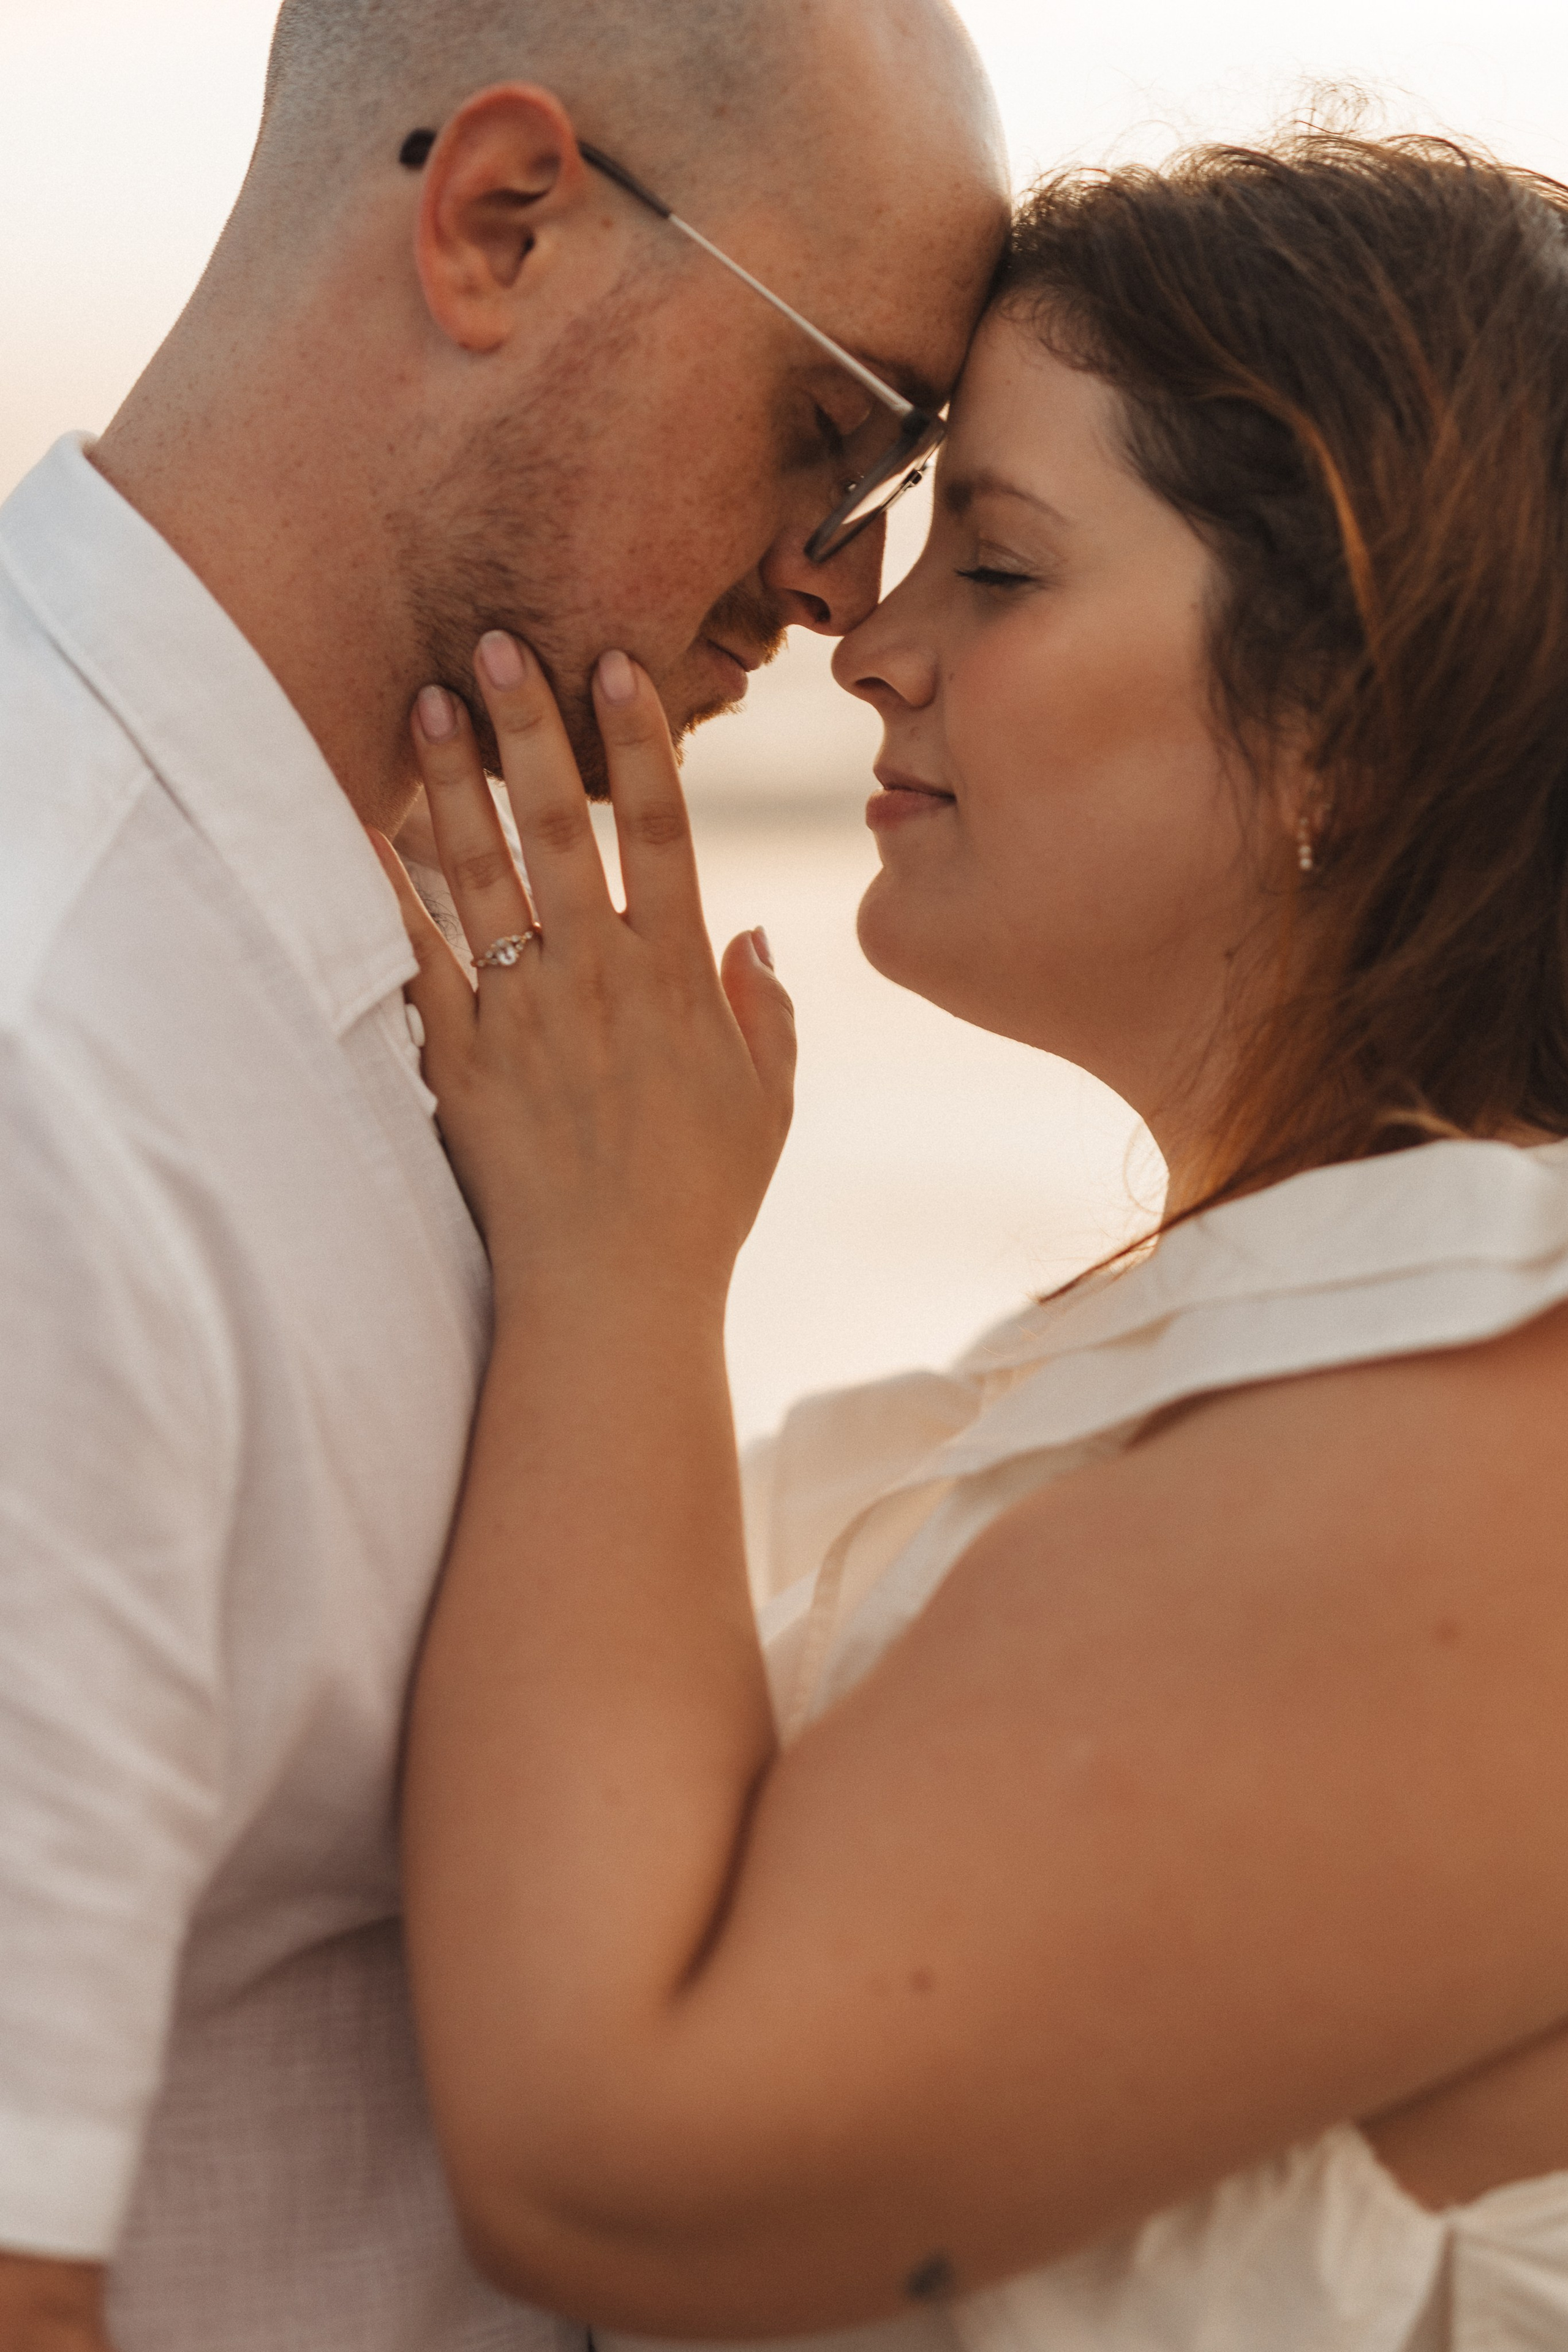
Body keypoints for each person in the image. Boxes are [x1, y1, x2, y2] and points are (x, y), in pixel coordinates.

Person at [386, 127, 1568, 2352]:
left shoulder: (1508, 1443)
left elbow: (620, 2165)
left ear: (1350, 719)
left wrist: (625, 1272)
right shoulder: (1359, 1355)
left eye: (1000, 572)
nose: (870, 645)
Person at [0, 0, 1009, 2343]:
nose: (846, 587)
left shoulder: (400, 943)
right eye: (828, 428)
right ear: (500, 222)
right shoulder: (54, 1069)